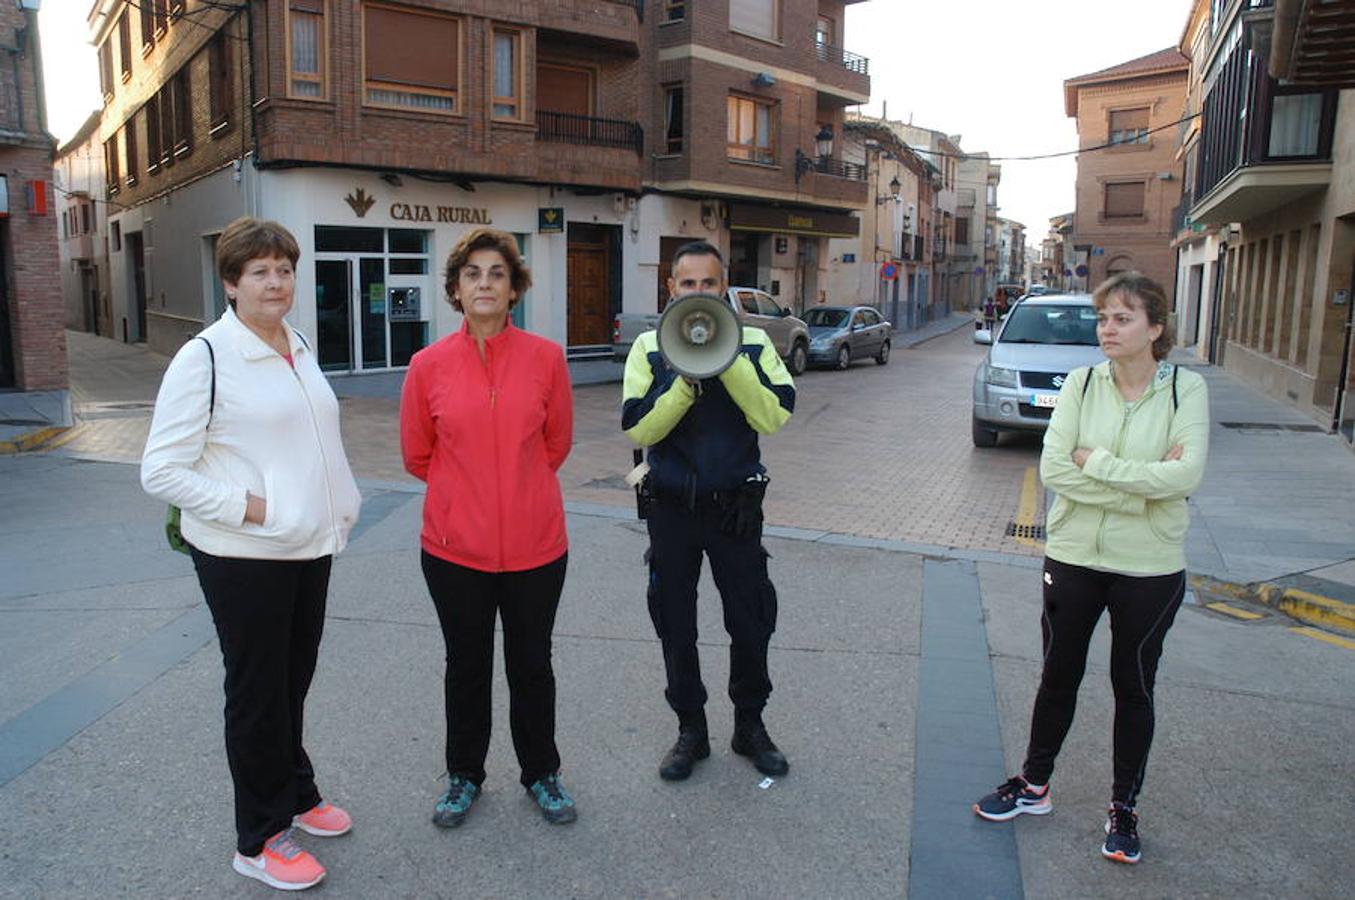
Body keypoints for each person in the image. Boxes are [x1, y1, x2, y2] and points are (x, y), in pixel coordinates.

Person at [141, 217, 362, 892]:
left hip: (307, 546)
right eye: (260, 271)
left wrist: (332, 504)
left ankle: (296, 792)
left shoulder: (294, 343)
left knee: (290, 682)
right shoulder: (205, 357)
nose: (276, 282)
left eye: (285, 269)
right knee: (258, 694)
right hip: (245, 555)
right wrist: (252, 507)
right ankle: (260, 837)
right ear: (231, 282)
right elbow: (161, 470)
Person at [972, 272, 1209, 865]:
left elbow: (1186, 477)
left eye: (1122, 318)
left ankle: (1123, 808)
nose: (1108, 328)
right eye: (1104, 317)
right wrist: (1143, 488)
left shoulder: (1185, 392)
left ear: (1155, 329)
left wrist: (1097, 463)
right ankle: (1033, 786)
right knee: (1057, 674)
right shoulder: (1079, 385)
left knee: (1134, 685)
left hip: (1150, 567)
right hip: (1074, 557)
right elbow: (1055, 470)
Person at [400, 228, 576, 827]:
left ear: (513, 288)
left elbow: (556, 445)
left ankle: (542, 773)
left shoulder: (547, 359)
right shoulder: (427, 366)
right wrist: (464, 500)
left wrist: (518, 495)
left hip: (536, 548)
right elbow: (417, 455)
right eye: (472, 273)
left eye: (496, 273)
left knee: (533, 665)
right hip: (455, 551)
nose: (484, 283)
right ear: (455, 288)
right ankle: (463, 776)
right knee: (466, 666)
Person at [622, 240, 796, 782]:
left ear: (725, 288)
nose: (699, 292)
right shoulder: (651, 347)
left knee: (750, 620)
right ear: (671, 289)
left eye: (709, 283)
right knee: (675, 621)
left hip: (734, 510)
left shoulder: (754, 344)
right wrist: (683, 381)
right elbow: (638, 427)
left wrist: (726, 362)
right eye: (688, 283)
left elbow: (775, 416)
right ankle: (690, 731)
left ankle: (750, 724)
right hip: (672, 510)